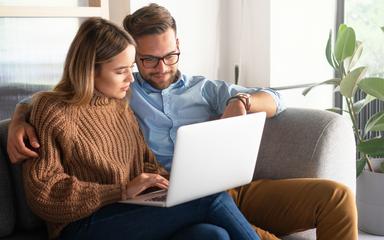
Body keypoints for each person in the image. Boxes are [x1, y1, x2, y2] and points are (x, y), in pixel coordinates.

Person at [8, 4, 358, 240]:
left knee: (217, 235)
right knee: (212, 201)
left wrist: (241, 102)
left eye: (170, 55)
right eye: (139, 64)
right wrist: (18, 120)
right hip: (96, 218)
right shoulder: (105, 101)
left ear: (179, 45)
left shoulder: (135, 100)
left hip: (178, 196)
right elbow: (46, 184)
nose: (158, 69)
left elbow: (274, 99)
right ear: (93, 70)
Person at [21, 17, 260, 240]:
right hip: (79, 225)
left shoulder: (119, 106)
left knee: (212, 235)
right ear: (89, 70)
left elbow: (145, 163)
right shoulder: (53, 110)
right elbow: (45, 194)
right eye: (121, 71)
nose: (131, 79)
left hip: (129, 212)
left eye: (130, 67)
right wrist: (120, 191)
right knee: (211, 199)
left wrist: (172, 185)